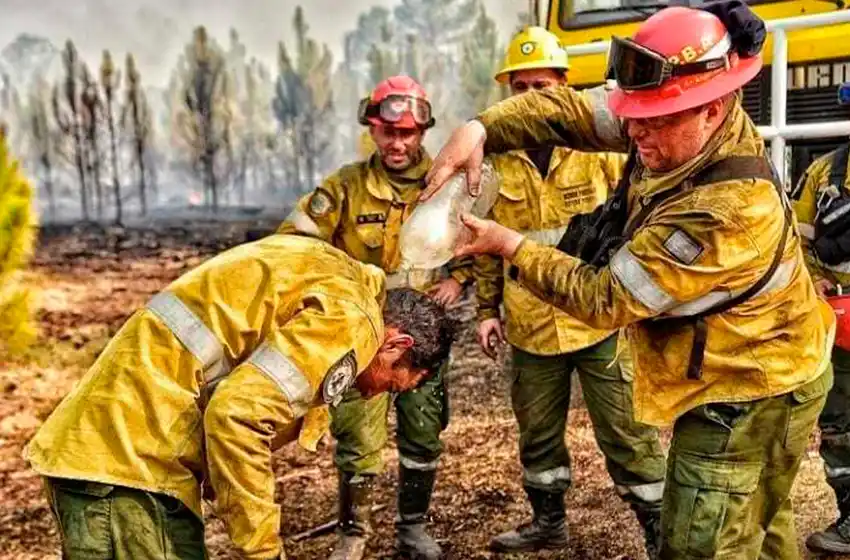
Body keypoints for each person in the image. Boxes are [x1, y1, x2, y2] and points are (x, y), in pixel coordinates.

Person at [422, 2, 835, 557]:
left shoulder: (728, 210)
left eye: (654, 120)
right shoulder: (674, 122)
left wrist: (506, 245)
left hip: (748, 391)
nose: (634, 131)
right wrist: (480, 127)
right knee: (759, 529)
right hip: (758, 366)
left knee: (699, 545)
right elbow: (568, 112)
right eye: (631, 114)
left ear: (712, 110)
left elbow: (605, 298)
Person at [24, 233, 455, 560]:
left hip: (117, 455)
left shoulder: (332, 270)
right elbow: (236, 416)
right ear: (395, 345)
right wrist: (264, 550)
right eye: (391, 385)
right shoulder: (357, 320)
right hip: (127, 468)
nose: (375, 392)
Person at [473, 26, 666, 556]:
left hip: (597, 318)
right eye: (520, 87)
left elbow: (636, 217)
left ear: (564, 86)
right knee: (537, 435)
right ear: (508, 91)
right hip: (530, 324)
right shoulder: (494, 160)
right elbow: (484, 244)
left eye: (543, 84)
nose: (531, 97)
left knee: (628, 432)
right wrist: (487, 311)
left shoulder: (599, 150)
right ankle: (548, 521)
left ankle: (661, 532)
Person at [278, 76, 471, 559]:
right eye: (388, 133)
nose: (398, 143)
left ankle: (412, 528)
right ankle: (353, 532)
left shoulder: (447, 181)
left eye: (407, 133)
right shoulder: (345, 187)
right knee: (357, 436)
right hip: (362, 334)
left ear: (423, 132)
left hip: (421, 336)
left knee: (423, 432)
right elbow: (293, 242)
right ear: (372, 130)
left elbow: (475, 237)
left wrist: (459, 279)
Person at [792, 80, 850, 554]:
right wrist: (814, 278)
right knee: (839, 422)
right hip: (839, 315)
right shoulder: (824, 173)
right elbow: (797, 235)